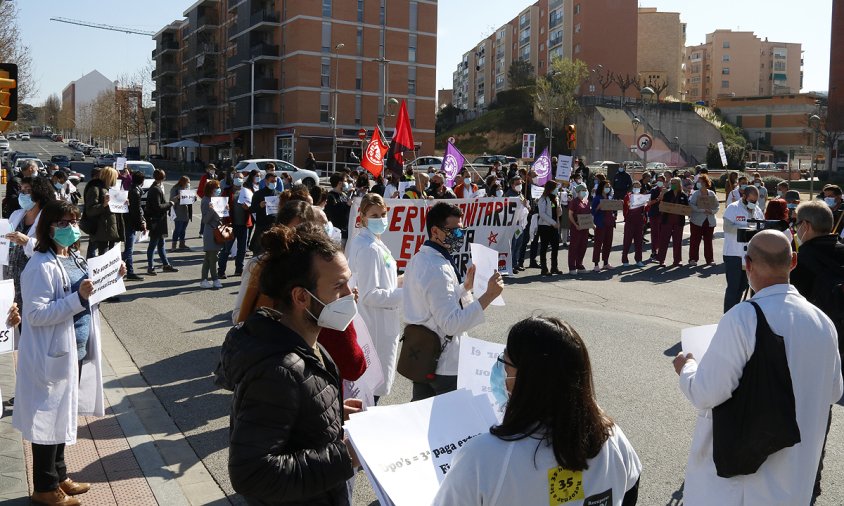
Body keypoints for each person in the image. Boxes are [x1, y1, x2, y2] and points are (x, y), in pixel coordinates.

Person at [673, 230, 843, 506]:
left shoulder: (743, 317)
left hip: (744, 483)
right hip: (796, 480)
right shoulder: (822, 322)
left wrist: (687, 367)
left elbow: (706, 392)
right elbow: (834, 391)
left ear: (747, 264)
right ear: (794, 262)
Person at [217, 224, 359, 505]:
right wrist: (345, 456)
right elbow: (252, 473)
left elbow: (294, 416)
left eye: (348, 283)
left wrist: (328, 412)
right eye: (338, 286)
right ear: (301, 297)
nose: (350, 294)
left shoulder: (308, 345)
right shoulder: (277, 371)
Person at [434, 316, 641, 505]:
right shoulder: (610, 436)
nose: (499, 370)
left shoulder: (482, 458)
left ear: (528, 379)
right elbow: (631, 484)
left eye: (503, 362)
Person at [15, 199, 125, 506]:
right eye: (63, 223)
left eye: (73, 222)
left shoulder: (74, 258)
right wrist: (79, 297)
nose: (71, 228)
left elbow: (89, 295)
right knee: (47, 420)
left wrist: (112, 278)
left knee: (64, 416)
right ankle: (44, 487)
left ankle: (60, 475)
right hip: (51, 353)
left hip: (74, 349)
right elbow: (35, 314)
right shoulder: (40, 265)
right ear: (48, 228)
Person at [403, 202, 504, 400]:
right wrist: (488, 296)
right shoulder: (437, 267)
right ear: (435, 231)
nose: (460, 236)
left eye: (462, 230)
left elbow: (433, 302)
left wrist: (465, 287)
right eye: (454, 231)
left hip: (423, 357)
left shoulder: (419, 259)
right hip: (444, 364)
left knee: (421, 421)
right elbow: (451, 323)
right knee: (447, 425)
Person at [346, 194, 403, 401]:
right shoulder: (368, 248)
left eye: (383, 214)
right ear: (362, 217)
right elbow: (370, 295)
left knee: (370, 390)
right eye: (374, 215)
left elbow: (384, 282)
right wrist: (409, 294)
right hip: (375, 326)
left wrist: (406, 280)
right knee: (370, 394)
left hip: (382, 323)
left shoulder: (374, 242)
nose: (380, 219)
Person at [5, 177, 54, 314]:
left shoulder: (47, 218)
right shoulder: (16, 215)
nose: (23, 194)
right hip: (11, 277)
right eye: (22, 190)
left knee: (30, 318)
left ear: (39, 193)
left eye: (28, 190)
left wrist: (27, 242)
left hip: (34, 278)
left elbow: (51, 249)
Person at [722, 185, 763, 312]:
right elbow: (727, 227)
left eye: (755, 201)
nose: (753, 203)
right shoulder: (733, 208)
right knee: (733, 288)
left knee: (743, 286)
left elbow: (762, 225)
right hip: (733, 254)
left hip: (749, 255)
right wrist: (745, 229)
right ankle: (728, 315)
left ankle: (738, 312)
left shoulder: (757, 210)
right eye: (751, 200)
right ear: (744, 196)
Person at [144, 169, 178, 276]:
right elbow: (158, 207)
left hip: (159, 221)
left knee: (161, 244)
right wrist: (170, 203)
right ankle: (150, 267)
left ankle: (165, 264)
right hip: (156, 221)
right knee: (153, 245)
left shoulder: (156, 187)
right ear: (162, 177)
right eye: (164, 175)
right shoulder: (155, 189)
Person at [218, 174, 252, 278]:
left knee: (242, 249)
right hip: (230, 225)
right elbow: (219, 206)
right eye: (237, 177)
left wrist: (248, 208)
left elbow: (253, 207)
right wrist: (224, 208)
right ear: (233, 179)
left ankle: (239, 270)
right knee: (226, 249)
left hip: (243, 225)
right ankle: (221, 271)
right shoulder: (227, 191)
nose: (239, 179)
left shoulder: (247, 192)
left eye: (241, 177)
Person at [656, 177, 689, 267]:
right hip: (667, 221)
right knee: (664, 241)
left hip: (678, 221)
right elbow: (662, 206)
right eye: (672, 183)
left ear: (679, 184)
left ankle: (677, 260)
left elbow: (687, 208)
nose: (673, 185)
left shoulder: (683, 195)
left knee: (677, 241)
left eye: (675, 183)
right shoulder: (667, 194)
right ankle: (661, 260)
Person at [688, 174, 719, 266]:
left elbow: (717, 206)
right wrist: (701, 210)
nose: (699, 183)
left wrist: (712, 211)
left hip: (709, 221)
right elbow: (691, 205)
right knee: (695, 240)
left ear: (705, 183)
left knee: (708, 241)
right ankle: (693, 259)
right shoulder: (695, 194)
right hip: (697, 221)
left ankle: (710, 259)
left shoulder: (712, 193)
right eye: (698, 181)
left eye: (701, 181)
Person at [199, 180, 224, 289]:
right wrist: (212, 210)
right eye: (216, 188)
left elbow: (219, 217)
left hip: (217, 231)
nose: (219, 190)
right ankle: (215, 279)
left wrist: (224, 210)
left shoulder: (216, 199)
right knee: (213, 258)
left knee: (208, 258)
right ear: (211, 189)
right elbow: (205, 220)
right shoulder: (205, 200)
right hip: (210, 232)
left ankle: (204, 280)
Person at [123, 171, 147, 281]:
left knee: (129, 248)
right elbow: (137, 210)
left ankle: (130, 271)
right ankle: (117, 269)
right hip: (131, 223)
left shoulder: (133, 190)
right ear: (142, 181)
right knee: (129, 249)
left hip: (130, 222)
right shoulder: (135, 192)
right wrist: (141, 223)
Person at [249, 172, 280, 255]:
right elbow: (252, 209)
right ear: (266, 181)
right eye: (272, 181)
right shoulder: (258, 194)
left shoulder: (278, 194)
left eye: (275, 181)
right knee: (258, 252)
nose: (274, 183)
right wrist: (259, 206)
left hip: (274, 226)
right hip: (261, 227)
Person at [537, 181, 562, 276]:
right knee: (544, 247)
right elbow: (542, 214)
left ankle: (554, 267)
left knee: (555, 247)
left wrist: (560, 212)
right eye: (555, 188)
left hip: (554, 226)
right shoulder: (543, 199)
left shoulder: (556, 198)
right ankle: (544, 268)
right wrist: (553, 223)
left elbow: (558, 212)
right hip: (545, 226)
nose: (556, 190)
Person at [591, 179, 616, 271]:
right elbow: (593, 211)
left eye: (609, 187)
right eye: (606, 186)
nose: (608, 188)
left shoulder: (610, 197)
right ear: (602, 187)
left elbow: (613, 209)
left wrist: (614, 214)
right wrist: (598, 207)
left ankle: (606, 262)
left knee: (608, 243)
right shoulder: (597, 198)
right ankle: (596, 264)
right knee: (598, 244)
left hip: (609, 223)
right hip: (601, 223)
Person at [621, 180, 646, 267]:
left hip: (639, 221)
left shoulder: (643, 196)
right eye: (635, 186)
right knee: (627, 240)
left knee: (639, 241)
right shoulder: (628, 196)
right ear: (632, 187)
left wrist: (647, 204)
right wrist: (626, 216)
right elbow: (625, 207)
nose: (636, 188)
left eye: (638, 187)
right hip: (630, 220)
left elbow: (646, 208)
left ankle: (638, 259)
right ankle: (625, 260)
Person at [568, 183, 591, 274]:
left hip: (585, 228)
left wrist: (592, 225)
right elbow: (570, 215)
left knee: (583, 246)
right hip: (576, 228)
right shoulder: (574, 201)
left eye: (585, 190)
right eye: (582, 190)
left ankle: (579, 265)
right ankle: (572, 267)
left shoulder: (587, 202)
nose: (584, 192)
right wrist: (575, 224)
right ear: (578, 192)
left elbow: (588, 215)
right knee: (574, 247)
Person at [324, 173, 352, 239]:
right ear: (339, 183)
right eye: (345, 181)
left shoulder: (344, 195)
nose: (346, 183)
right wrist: (347, 205)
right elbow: (332, 214)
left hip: (346, 231)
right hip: (337, 233)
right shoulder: (330, 196)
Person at [169, 176, 192, 252]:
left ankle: (182, 244)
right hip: (178, 212)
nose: (188, 184)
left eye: (189, 182)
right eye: (187, 182)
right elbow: (171, 200)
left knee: (183, 229)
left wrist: (193, 198)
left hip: (186, 212)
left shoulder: (187, 189)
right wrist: (178, 196)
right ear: (183, 182)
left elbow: (190, 199)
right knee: (178, 229)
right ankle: (173, 245)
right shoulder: (175, 189)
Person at [647, 175, 666, 261]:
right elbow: (649, 203)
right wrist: (658, 199)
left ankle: (660, 253)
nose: (659, 182)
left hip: (664, 215)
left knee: (662, 234)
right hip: (654, 214)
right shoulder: (653, 190)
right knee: (655, 234)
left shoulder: (667, 190)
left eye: (661, 180)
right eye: (658, 180)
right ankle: (654, 252)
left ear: (664, 181)